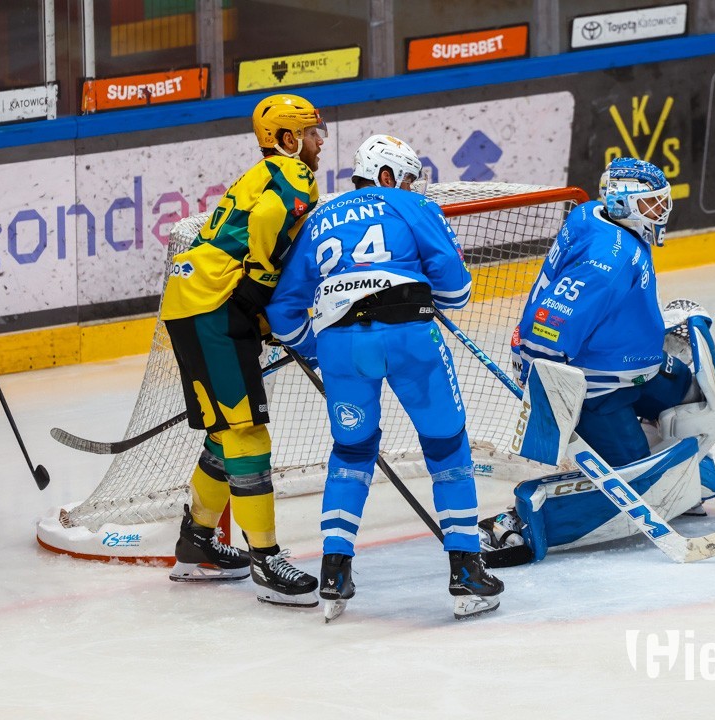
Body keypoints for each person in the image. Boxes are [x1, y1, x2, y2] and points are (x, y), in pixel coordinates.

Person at [265, 134, 503, 620]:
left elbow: (284, 311)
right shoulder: (412, 205)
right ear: (388, 175)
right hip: (410, 337)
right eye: (408, 178)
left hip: (340, 346)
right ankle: (466, 571)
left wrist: (316, 350)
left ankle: (334, 574)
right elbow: (457, 290)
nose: (412, 187)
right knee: (446, 445)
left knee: (351, 451)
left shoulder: (319, 218)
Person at [482, 157, 715, 566]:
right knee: (637, 479)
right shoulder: (608, 260)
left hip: (637, 367)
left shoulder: (593, 214)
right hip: (599, 388)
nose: (660, 213)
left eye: (660, 203)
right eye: (650, 204)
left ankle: (678, 475)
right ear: (623, 203)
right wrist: (547, 388)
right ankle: (523, 521)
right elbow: (549, 326)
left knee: (693, 394)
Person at [159, 93, 325, 607]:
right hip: (212, 303)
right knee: (247, 431)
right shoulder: (293, 172)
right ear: (288, 139)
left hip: (196, 298)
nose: (319, 141)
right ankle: (266, 558)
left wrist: (254, 304)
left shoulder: (260, 173)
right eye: (311, 133)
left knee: (225, 433)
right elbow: (270, 218)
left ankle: (197, 542)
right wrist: (258, 288)